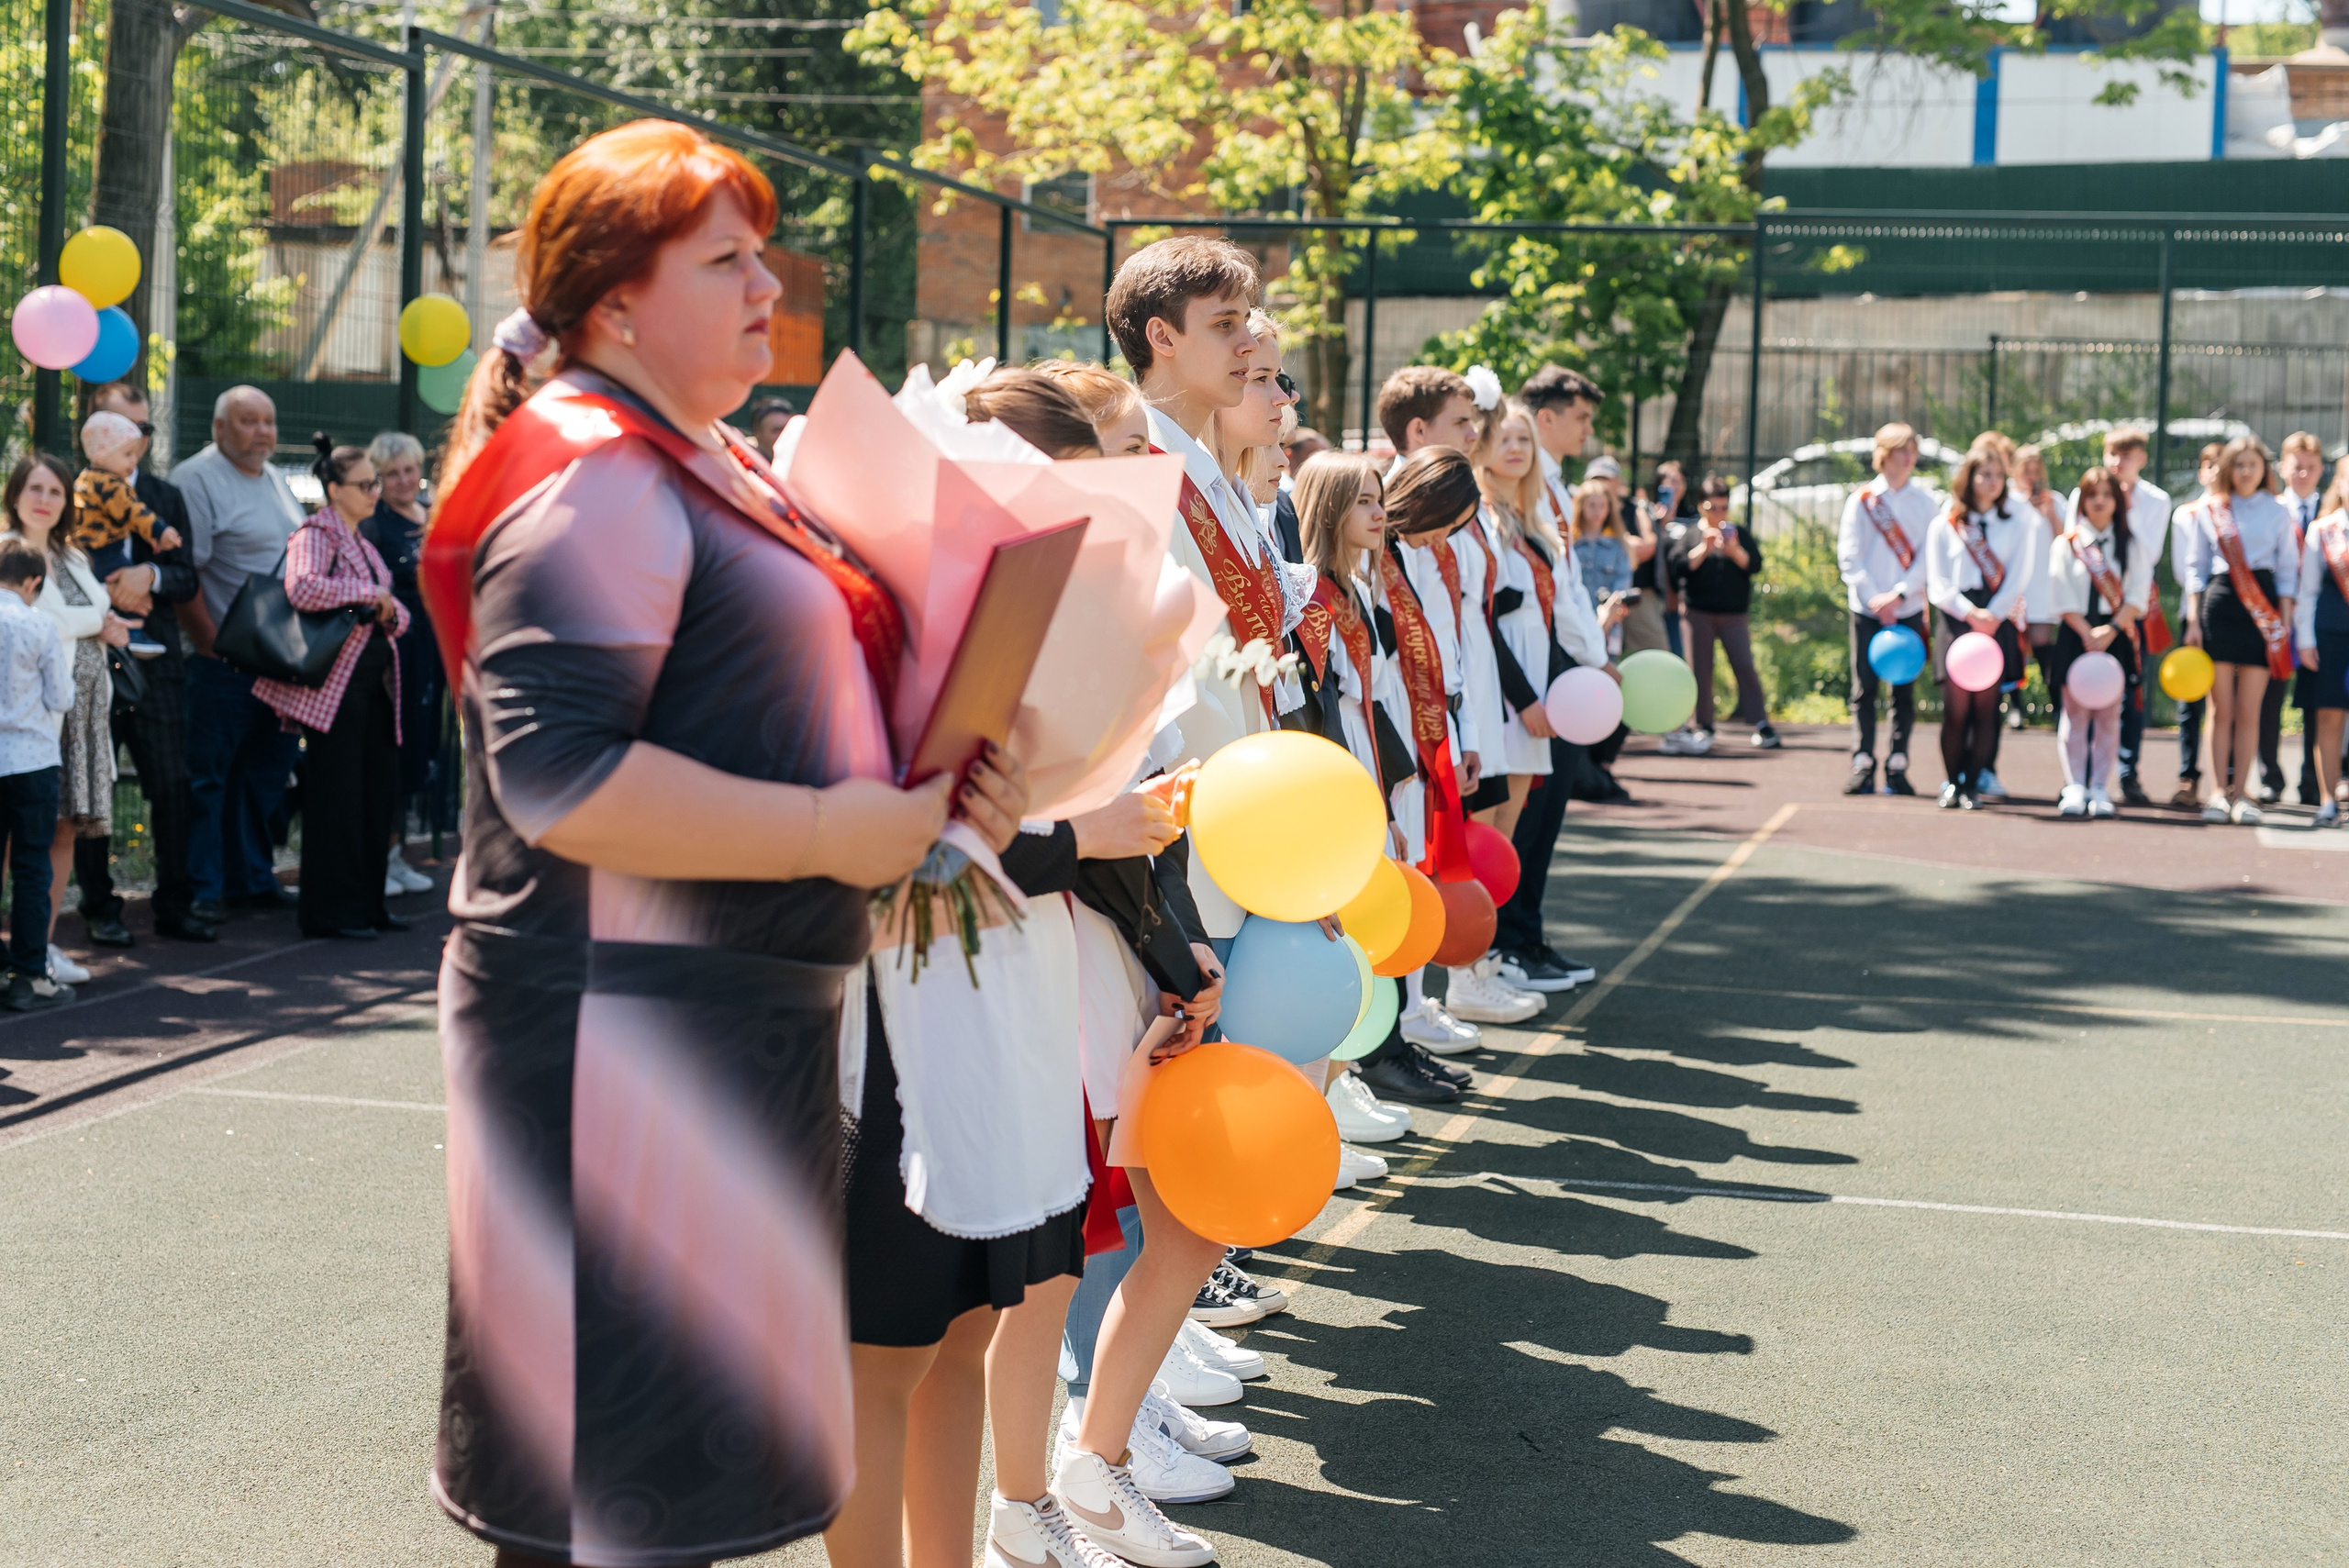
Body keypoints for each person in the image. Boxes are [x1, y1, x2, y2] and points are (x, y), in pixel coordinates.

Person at [418, 118, 1025, 1568]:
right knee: (605, 1504)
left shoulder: (704, 458)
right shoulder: (596, 469)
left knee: (655, 1506)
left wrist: (940, 806)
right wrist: (839, 823)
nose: (771, 285)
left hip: (717, 1020)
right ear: (618, 299)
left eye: (766, 254)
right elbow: (560, 775)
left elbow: (752, 715)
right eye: (728, 260)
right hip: (619, 1036)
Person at [1068, 232, 1286, 1568]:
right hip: (1162, 836)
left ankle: (1129, 1381)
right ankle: (1101, 1416)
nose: (1250, 337)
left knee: (1166, 1138)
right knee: (1127, 1137)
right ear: (1157, 335)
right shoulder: (1137, 466)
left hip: (1219, 822)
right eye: (1224, 317)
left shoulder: (1201, 465)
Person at [72, 381, 214, 946]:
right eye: (124, 425)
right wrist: (107, 593)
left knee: (173, 785)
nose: (138, 437)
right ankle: (99, 907)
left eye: (145, 428)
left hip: (156, 668)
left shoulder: (163, 493)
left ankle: (174, 904)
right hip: (92, 661)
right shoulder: (71, 490)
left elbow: (186, 574)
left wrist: (148, 577)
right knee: (94, 788)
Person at [251, 437, 406, 941]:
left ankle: (367, 905)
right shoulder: (315, 533)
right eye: (365, 484)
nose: (375, 492)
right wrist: (369, 595)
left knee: (374, 795)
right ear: (334, 490)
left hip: (376, 687)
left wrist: (385, 605)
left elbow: (397, 612)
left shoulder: (363, 541)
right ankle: (330, 912)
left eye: (376, 483)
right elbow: (303, 588)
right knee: (337, 798)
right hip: (337, 692)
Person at [173, 384, 306, 918]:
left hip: (277, 658)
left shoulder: (275, 478)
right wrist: (209, 644)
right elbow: (188, 574)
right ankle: (203, 889)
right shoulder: (195, 480)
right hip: (221, 660)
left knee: (264, 771)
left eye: (269, 421)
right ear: (219, 428)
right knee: (209, 777)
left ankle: (250, 877)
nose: (263, 432)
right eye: (248, 421)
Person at [6, 450, 132, 990]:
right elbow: (44, 621)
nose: (44, 499)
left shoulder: (74, 556)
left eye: (55, 491)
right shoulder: (7, 553)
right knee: (15, 839)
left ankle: (43, 946)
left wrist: (106, 627)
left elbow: (87, 616)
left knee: (63, 830)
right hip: (30, 722)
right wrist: (98, 622)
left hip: (83, 717)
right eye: (35, 488)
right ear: (14, 494)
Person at [1505, 363, 1609, 995]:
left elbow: (1566, 583)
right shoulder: (1528, 484)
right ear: (1546, 416)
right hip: (1542, 659)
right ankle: (1512, 940)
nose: (1587, 429)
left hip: (1563, 658)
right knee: (1528, 807)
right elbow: (1553, 595)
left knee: (1546, 806)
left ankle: (1526, 934)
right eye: (1581, 417)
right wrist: (1591, 655)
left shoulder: (1555, 485)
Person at [2176, 435, 2299, 825]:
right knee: (2220, 708)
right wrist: (2193, 621)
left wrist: (2284, 623)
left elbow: (2288, 572)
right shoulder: (2211, 509)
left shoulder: (2279, 512)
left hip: (2261, 609)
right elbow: (2195, 569)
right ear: (2228, 468)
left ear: (2265, 469)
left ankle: (2243, 792)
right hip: (2220, 604)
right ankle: (2216, 792)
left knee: (2250, 709)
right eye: (2239, 464)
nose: (2246, 471)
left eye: (2253, 464)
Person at [1469, 397, 1563, 835]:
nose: (1515, 448)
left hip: (1535, 684)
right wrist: (1524, 701)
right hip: (1504, 694)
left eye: (1524, 439)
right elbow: (1486, 619)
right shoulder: (1480, 521)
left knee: (1506, 842)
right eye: (1504, 438)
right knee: (1488, 836)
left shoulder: (1533, 524)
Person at [1927, 442, 2033, 810]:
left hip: (1995, 619)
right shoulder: (1946, 524)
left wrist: (1992, 615)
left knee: (1987, 709)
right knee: (1956, 710)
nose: (1992, 482)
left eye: (1998, 476)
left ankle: (1973, 785)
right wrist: (1969, 613)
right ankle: (1952, 782)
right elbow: (1938, 583)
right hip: (1957, 620)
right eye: (1984, 475)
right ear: (1968, 478)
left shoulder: (2016, 524)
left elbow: (2018, 576)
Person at [1835, 422, 1937, 795]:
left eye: (1912, 449)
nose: (1908, 457)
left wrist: (1898, 593)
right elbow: (1849, 554)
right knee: (1864, 687)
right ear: (1884, 455)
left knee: (1904, 689)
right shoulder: (1861, 501)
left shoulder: (1926, 502)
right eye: (1900, 450)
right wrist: (1875, 597)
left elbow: (1929, 556)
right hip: (1867, 609)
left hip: (1907, 608)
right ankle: (1862, 761)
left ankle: (1898, 764)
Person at [362, 430, 441, 898]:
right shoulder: (374, 524)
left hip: (434, 649)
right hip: (398, 650)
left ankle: (401, 851)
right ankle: (382, 855)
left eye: (409, 470)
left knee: (422, 746)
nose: (403, 480)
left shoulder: (433, 514)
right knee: (393, 745)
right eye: (391, 474)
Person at [2070, 428, 2168, 805]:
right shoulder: (2089, 491)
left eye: (2126, 455)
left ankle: (2127, 771)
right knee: (2086, 690)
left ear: (2141, 459)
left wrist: (2121, 506)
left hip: (2128, 605)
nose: (2118, 461)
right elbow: (2072, 542)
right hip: (2087, 606)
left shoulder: (2156, 501)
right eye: (2112, 453)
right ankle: (2086, 776)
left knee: (2129, 690)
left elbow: (2150, 552)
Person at [2044, 466, 2149, 818]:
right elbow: (2060, 593)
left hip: (2113, 635)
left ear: (2117, 502)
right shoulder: (2067, 543)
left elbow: (2137, 595)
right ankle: (2075, 785)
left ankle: (2101, 787)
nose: (2099, 501)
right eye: (2092, 495)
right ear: (2082, 501)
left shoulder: (2131, 544)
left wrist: (2111, 631)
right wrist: (2086, 631)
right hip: (2077, 635)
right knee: (2074, 715)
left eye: (2106, 495)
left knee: (2108, 716)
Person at [0, 534, 72, 1011]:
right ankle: (30, 972)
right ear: (34, 582)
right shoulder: (39, 625)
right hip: (32, 760)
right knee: (31, 867)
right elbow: (61, 699)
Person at [1665, 476, 1778, 750]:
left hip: (1733, 614)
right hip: (1697, 613)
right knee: (1700, 670)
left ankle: (1760, 723)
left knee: (1744, 664)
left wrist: (1733, 550)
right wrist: (1703, 548)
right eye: (1712, 507)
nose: (1718, 513)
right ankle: (1703, 725)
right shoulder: (1691, 534)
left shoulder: (1738, 532)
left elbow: (1754, 565)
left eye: (1723, 507)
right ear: (1702, 506)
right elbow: (1677, 568)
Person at [72, 410, 183, 662]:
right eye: (127, 454)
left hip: (86, 549)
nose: (133, 461)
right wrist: (160, 531)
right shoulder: (112, 483)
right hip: (105, 549)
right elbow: (134, 512)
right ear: (103, 453)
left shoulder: (85, 479)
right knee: (127, 588)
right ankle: (131, 632)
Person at [2165, 443, 2226, 808]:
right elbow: (2184, 570)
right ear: (2201, 472)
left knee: (2229, 700)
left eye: (2223, 464)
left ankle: (2231, 778)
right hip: (2196, 613)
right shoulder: (2187, 514)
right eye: (2209, 465)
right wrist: (2194, 617)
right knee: (2191, 697)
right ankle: (2188, 776)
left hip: (2233, 614)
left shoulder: (2246, 512)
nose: (2216, 471)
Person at [2270, 430, 2326, 804]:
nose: (2303, 474)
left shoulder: (2333, 512)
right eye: (2296, 466)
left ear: (2321, 469)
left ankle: (2313, 779)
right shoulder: (2272, 509)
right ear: (2282, 468)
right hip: (2274, 617)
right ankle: (2268, 776)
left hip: (2319, 622)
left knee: (2316, 702)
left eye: (2310, 467)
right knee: (2269, 699)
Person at [2293, 468, 2349, 827]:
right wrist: (2306, 641)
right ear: (2339, 484)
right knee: (2328, 717)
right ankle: (2328, 800)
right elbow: (2308, 592)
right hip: (2330, 637)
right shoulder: (2323, 530)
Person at [2012, 443, 2065, 706]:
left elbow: (2066, 541)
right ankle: (2015, 707)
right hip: (2015, 586)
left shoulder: (2055, 501)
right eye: (2026, 470)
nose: (2032, 476)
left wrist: (2050, 515)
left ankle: (2057, 704)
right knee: (2013, 646)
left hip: (2043, 587)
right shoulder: (2009, 503)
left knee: (2042, 643)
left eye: (2037, 470)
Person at [744, 393, 796, 458]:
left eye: (787, 430)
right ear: (758, 433)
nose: (784, 435)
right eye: (777, 430)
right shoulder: (745, 464)